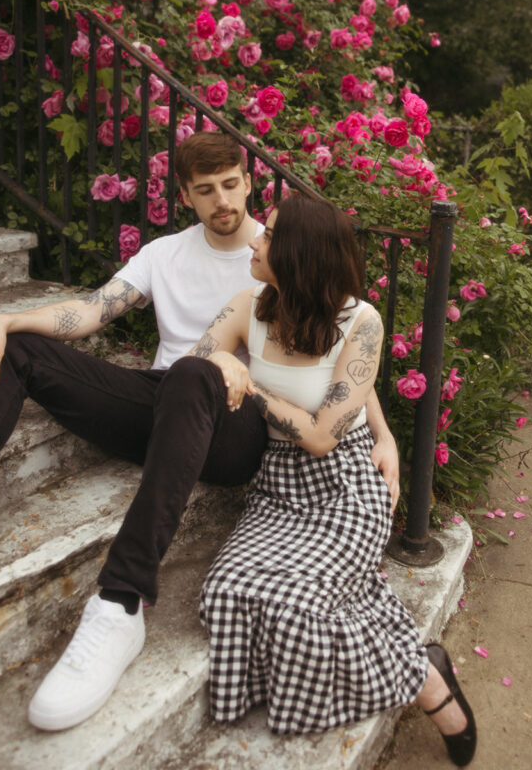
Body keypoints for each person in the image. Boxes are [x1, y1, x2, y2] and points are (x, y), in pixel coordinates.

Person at [0, 130, 401, 733]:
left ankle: (120, 601)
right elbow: (94, 310)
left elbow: (334, 364)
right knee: (20, 350)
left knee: (195, 375)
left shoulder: (284, 251)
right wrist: (6, 316)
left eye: (232, 184)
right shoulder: (165, 256)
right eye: (206, 190)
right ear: (186, 195)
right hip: (169, 396)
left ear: (250, 181)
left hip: (235, 421)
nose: (224, 200)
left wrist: (382, 435)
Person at [192, 195, 477, 767]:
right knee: (225, 593)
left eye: (267, 235)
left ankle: (424, 680)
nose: (253, 240)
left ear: (298, 253)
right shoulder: (248, 304)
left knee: (300, 606)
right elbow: (198, 371)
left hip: (344, 486)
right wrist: (220, 362)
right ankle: (422, 662)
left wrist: (247, 379)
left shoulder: (361, 320)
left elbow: (323, 435)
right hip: (276, 489)